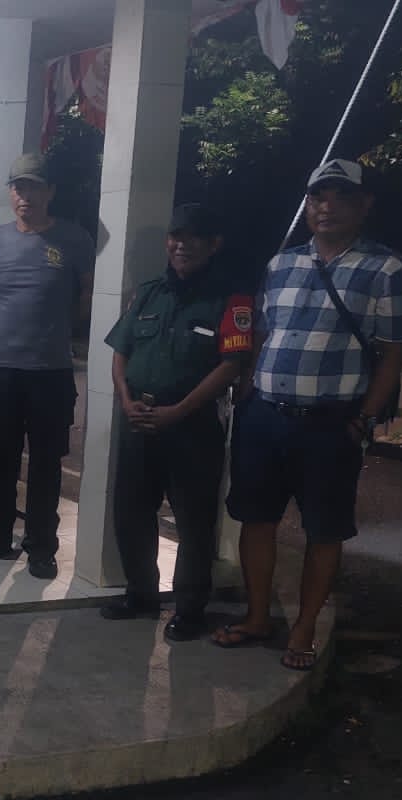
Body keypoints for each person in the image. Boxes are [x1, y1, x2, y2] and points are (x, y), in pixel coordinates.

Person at [215, 159, 402, 670]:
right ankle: (257, 616)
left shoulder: (390, 270)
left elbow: (393, 355)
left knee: (324, 530)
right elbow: (263, 333)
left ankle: (304, 626)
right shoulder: (281, 264)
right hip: (264, 416)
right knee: (255, 519)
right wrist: (247, 389)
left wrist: (364, 419)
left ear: (364, 205)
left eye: (340, 196)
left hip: (331, 423)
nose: (326, 207)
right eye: (317, 197)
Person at [99, 204, 253, 640]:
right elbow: (121, 351)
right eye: (175, 236)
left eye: (193, 237)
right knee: (131, 512)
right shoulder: (149, 293)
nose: (181, 245)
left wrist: (179, 410)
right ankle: (140, 594)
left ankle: (189, 608)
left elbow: (232, 364)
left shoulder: (231, 299)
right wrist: (126, 400)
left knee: (193, 521)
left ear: (213, 244)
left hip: (192, 425)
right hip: (139, 418)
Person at [0, 153, 96, 580]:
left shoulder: (74, 239)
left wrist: (54, 327)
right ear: (10, 192)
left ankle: (40, 546)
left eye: (34, 186)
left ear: (50, 191)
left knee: (45, 463)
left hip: (51, 371)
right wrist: (15, 318)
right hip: (1, 367)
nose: (25, 195)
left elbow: (87, 295)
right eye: (18, 187)